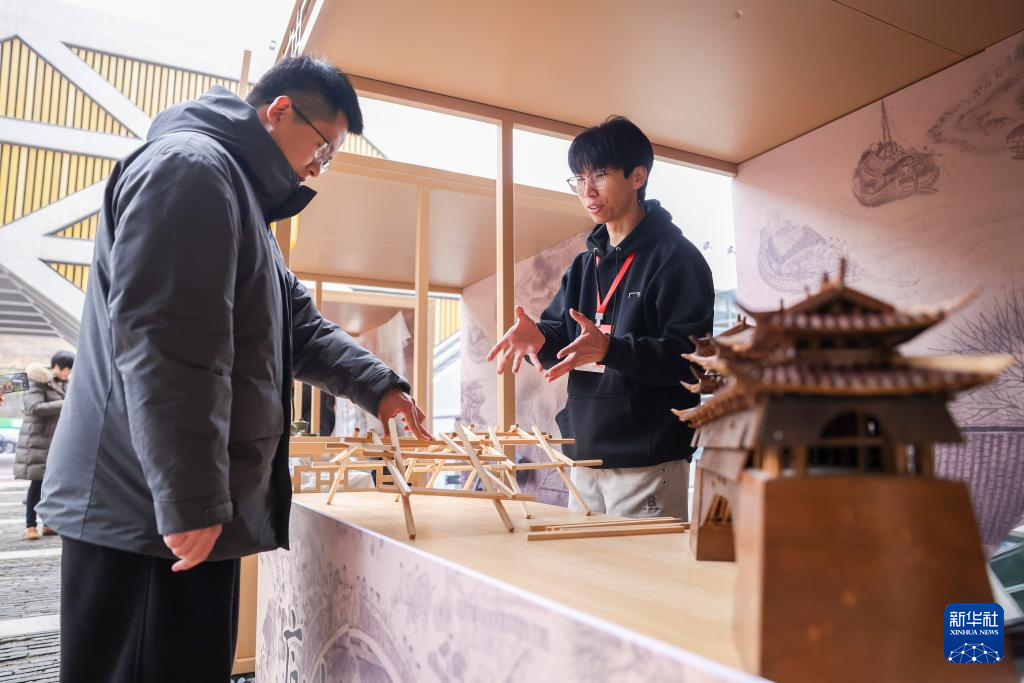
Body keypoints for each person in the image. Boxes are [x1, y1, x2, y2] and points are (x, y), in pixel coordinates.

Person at [37, 56, 429, 683]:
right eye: (322, 149)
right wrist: (188, 496)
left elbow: (299, 327)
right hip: (145, 510)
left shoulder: (237, 195)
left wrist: (380, 388)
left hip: (171, 505)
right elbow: (167, 344)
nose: (318, 168)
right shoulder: (192, 171)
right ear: (280, 111)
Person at [487, 116, 714, 520]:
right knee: (582, 563)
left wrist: (612, 350)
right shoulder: (583, 265)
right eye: (578, 178)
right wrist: (539, 338)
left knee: (641, 565)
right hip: (584, 454)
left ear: (637, 176)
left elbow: (691, 360)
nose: (586, 190)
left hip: (648, 457)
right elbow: (564, 337)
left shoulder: (677, 258)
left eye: (600, 175)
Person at [14, 351, 73, 540]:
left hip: (55, 441)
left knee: (51, 485)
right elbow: (35, 408)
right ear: (57, 366)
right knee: (37, 484)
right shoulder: (35, 379)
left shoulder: (65, 384)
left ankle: (48, 524)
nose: (69, 373)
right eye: (67, 369)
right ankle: (30, 526)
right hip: (37, 440)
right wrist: (67, 403)